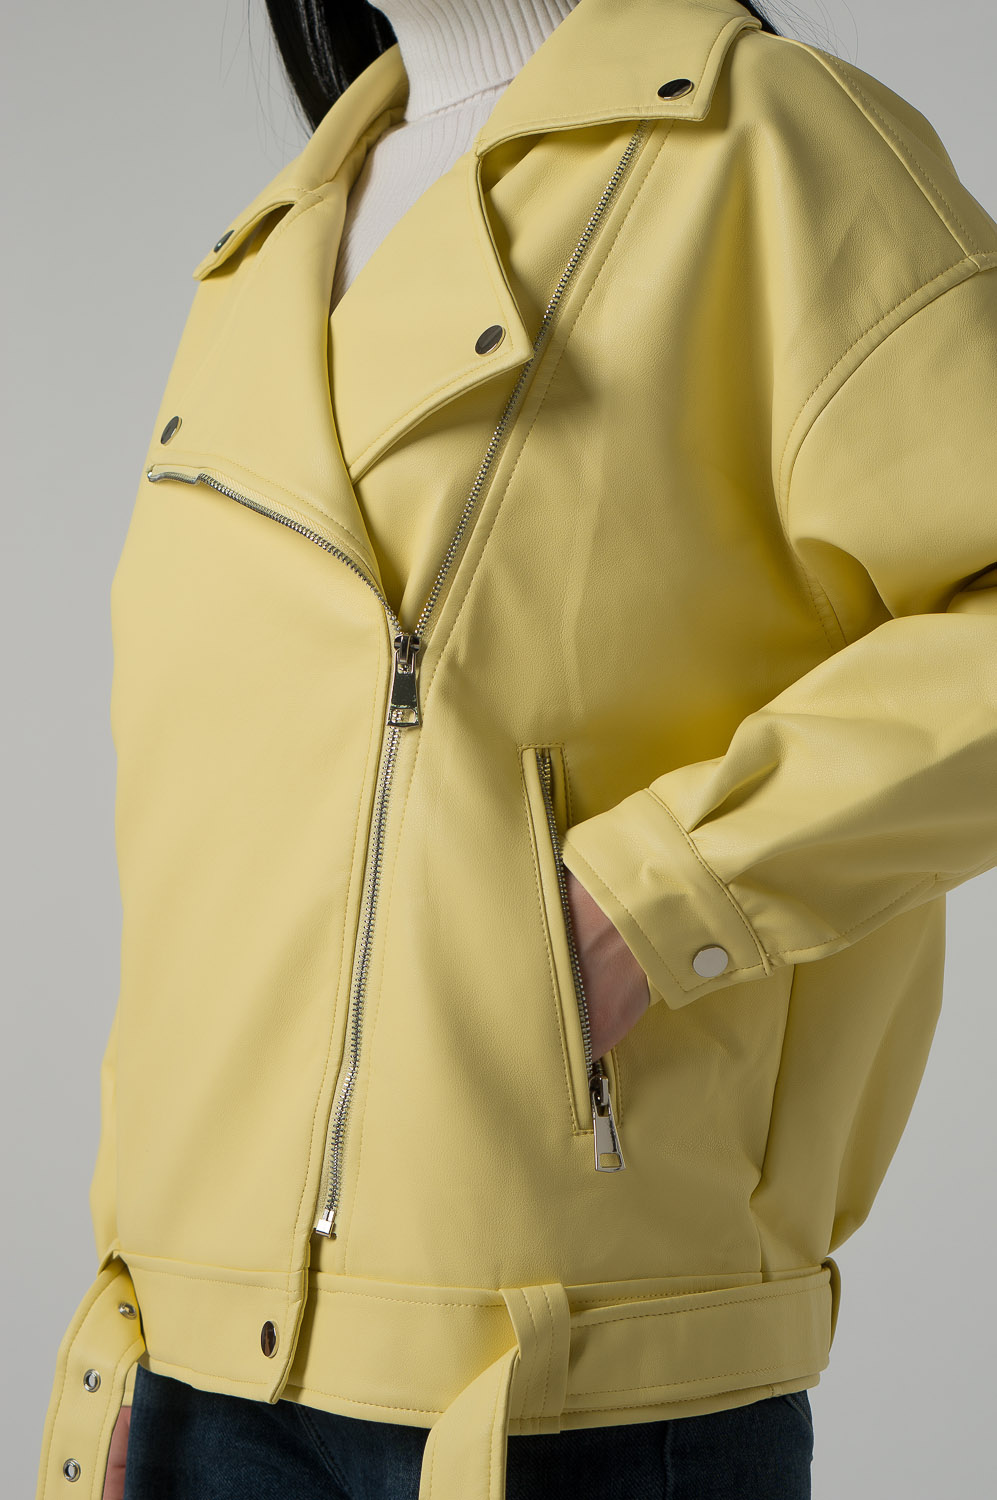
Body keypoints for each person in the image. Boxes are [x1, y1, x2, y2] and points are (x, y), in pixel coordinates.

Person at [34, 1, 997, 1497]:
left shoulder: (770, 148)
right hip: (184, 1375)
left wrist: (665, 896)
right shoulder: (272, 245)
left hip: (567, 1393)